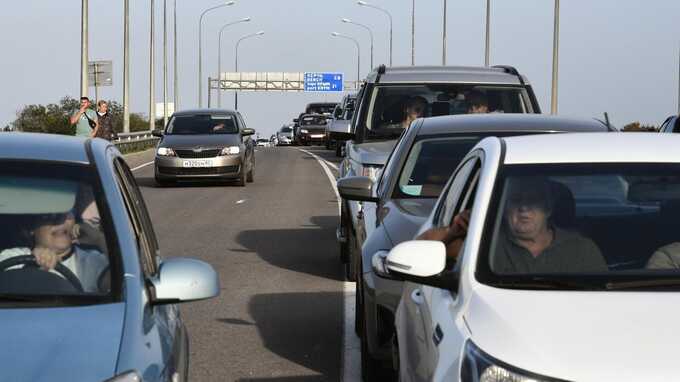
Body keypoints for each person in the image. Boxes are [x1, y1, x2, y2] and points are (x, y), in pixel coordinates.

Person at [491, 177, 607, 273]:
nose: (524, 208)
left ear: (548, 209)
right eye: (516, 200)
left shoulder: (582, 249)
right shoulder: (485, 248)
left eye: (533, 200)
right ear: (504, 209)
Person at [0, 211, 109, 292]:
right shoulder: (12, 256)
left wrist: (99, 239)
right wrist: (32, 265)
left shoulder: (92, 260)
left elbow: (120, 286)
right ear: (31, 228)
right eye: (48, 215)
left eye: (67, 213)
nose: (60, 221)